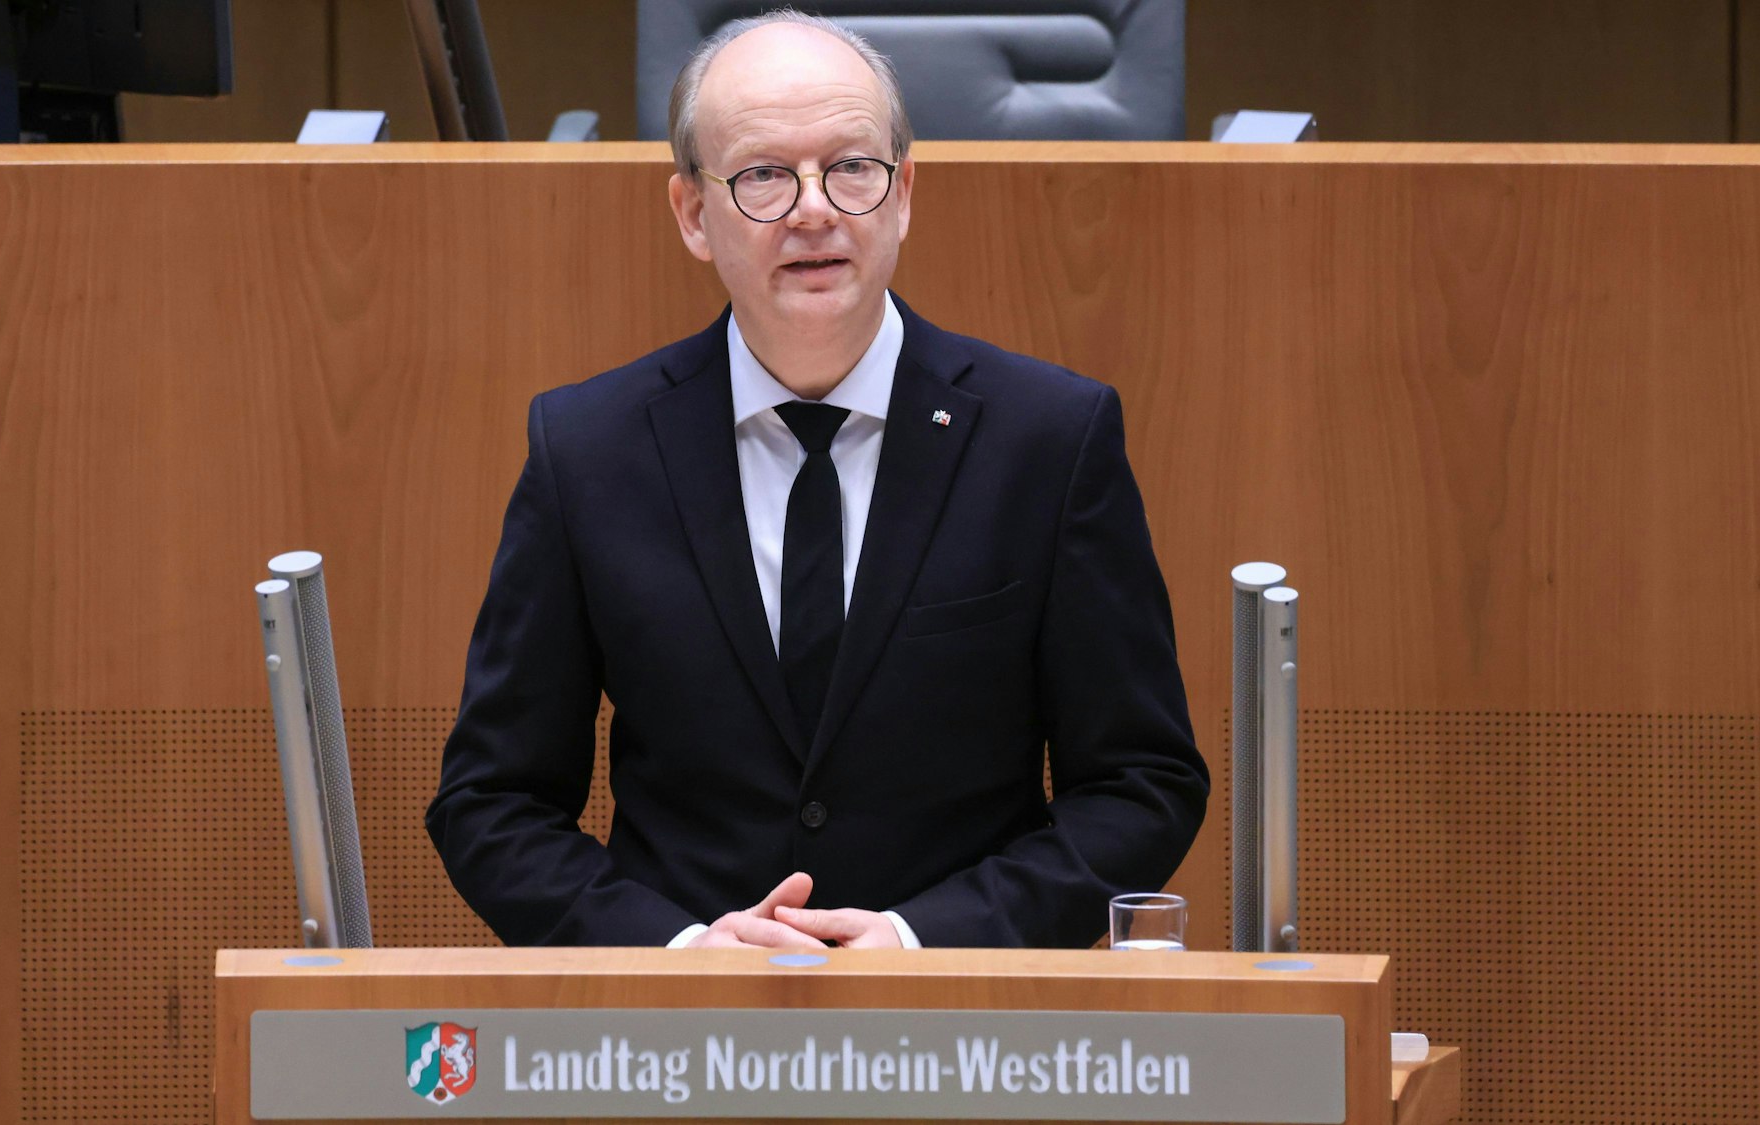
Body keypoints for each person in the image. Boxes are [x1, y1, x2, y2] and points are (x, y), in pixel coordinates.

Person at [426, 11, 1206, 950]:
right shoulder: (589, 449)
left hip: (965, 1048)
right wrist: (675, 952)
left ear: (904, 192)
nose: (813, 208)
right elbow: (493, 801)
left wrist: (926, 939)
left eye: (852, 168)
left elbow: (1140, 783)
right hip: (679, 1064)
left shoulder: (1047, 439)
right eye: (762, 175)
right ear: (692, 214)